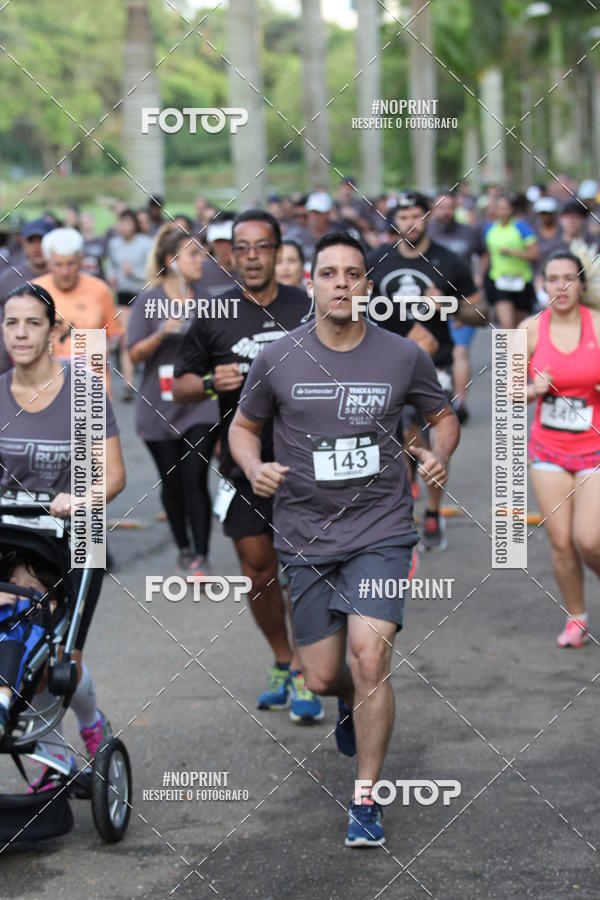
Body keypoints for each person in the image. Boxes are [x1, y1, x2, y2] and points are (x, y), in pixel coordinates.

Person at [228, 232, 460, 847]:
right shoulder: (278, 357)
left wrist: (438, 454)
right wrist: (254, 468)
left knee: (370, 659)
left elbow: (443, 415)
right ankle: (346, 706)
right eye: (328, 272)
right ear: (311, 282)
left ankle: (366, 799)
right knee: (327, 676)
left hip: (382, 529)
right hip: (305, 534)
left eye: (352, 273)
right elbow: (244, 429)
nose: (340, 283)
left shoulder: (402, 356)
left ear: (367, 286)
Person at [172, 209, 323, 723]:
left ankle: (307, 670)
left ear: (280, 251)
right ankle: (284, 660)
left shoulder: (308, 307)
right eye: (243, 246)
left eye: (263, 246)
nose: (253, 255)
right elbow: (180, 384)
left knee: (305, 570)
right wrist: (215, 383)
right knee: (258, 571)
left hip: (311, 462)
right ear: (230, 254)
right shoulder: (212, 313)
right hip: (244, 463)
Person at [0, 282, 126, 782]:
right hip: (10, 532)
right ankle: (53, 753)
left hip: (71, 535)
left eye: (33, 322)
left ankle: (90, 725)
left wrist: (82, 499)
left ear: (54, 330)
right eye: (11, 323)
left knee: (57, 657)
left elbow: (113, 476)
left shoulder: (84, 390)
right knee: (13, 633)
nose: (21, 333)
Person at [369, 190, 485, 551]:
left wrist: (447, 304)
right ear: (395, 221)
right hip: (387, 364)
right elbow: (355, 307)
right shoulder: (376, 261)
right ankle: (403, 515)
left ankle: (433, 511)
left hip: (436, 363)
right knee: (400, 437)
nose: (409, 224)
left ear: (427, 217)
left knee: (437, 442)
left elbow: (480, 314)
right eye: (402, 218)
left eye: (416, 216)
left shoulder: (448, 262)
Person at [128, 224, 219, 575]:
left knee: (195, 478)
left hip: (199, 402)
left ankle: (201, 555)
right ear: (172, 260)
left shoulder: (209, 302)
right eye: (194, 253)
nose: (203, 260)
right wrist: (160, 334)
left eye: (203, 252)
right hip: (157, 406)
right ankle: (183, 547)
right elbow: (134, 355)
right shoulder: (148, 302)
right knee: (173, 482)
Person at [521, 251, 600, 648]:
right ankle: (577, 617)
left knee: (590, 539)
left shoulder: (598, 325)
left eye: (569, 278)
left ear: (582, 284)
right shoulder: (530, 329)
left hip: (595, 449)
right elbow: (505, 393)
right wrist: (534, 389)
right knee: (562, 542)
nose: (561, 286)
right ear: (543, 283)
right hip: (548, 451)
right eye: (553, 278)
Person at [33, 228, 122, 393]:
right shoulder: (34, 291)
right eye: (58, 264)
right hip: (48, 388)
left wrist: (104, 349)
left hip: (92, 389)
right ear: (48, 262)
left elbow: (114, 336)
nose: (65, 272)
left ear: (81, 260)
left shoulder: (100, 290)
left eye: (71, 263)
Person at [428, 190, 486, 423]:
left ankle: (459, 403)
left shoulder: (468, 232)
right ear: (432, 210)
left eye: (449, 207)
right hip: (431, 308)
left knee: (460, 352)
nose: (445, 212)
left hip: (463, 301)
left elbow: (483, 255)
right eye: (440, 207)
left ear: (456, 208)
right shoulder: (426, 235)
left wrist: (480, 275)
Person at [0, 218, 56, 376]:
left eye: (42, 241)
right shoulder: (8, 278)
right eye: (32, 241)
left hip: (59, 364)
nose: (37, 247)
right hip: (13, 366)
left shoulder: (63, 279)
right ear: (23, 244)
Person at [106, 209, 153, 399]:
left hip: (142, 294)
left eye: (128, 222)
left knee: (143, 338)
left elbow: (153, 272)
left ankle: (153, 379)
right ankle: (128, 385)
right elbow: (111, 264)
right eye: (121, 222)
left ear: (135, 224)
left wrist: (133, 272)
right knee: (125, 339)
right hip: (123, 295)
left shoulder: (146, 244)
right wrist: (111, 275)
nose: (124, 227)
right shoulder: (114, 244)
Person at [483, 193, 540, 328]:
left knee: (520, 327)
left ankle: (519, 349)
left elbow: (535, 254)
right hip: (499, 281)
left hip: (521, 281)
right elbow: (488, 254)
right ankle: (503, 350)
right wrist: (480, 275)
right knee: (507, 325)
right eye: (500, 208)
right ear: (495, 210)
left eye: (506, 208)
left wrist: (512, 252)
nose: (503, 212)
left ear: (511, 209)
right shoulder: (489, 229)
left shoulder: (521, 227)